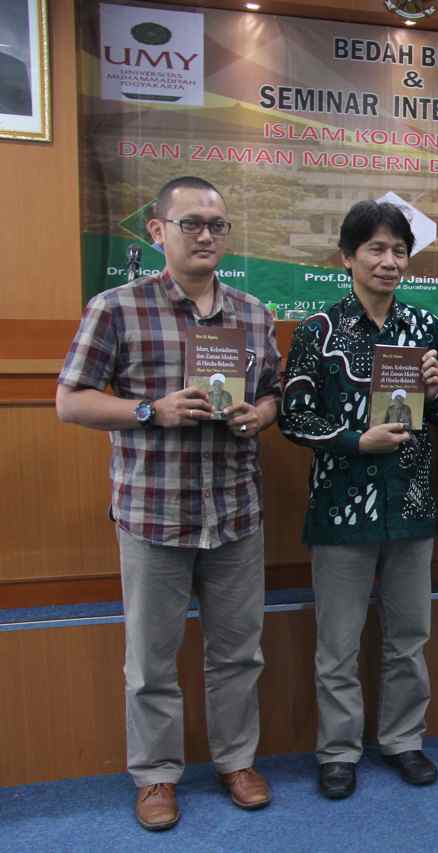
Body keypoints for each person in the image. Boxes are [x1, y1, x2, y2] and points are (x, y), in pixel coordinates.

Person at [55, 176, 279, 830]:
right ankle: (155, 775)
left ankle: (237, 759)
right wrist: (149, 410)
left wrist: (257, 415)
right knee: (151, 657)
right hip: (154, 514)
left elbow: (272, 395)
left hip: (235, 512)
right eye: (191, 223)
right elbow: (70, 400)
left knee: (239, 651)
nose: (206, 234)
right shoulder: (116, 308)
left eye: (217, 224)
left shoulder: (253, 312)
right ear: (157, 232)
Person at [280, 201, 438, 799]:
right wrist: (357, 439)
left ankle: (404, 740)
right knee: (339, 643)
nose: (389, 261)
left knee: (410, 636)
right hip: (340, 507)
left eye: (399, 250)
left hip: (410, 505)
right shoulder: (317, 331)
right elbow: (293, 418)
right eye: (376, 250)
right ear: (347, 258)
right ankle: (337, 751)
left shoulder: (426, 328)